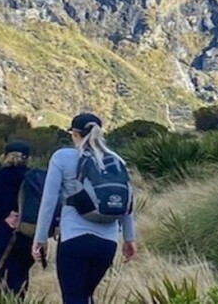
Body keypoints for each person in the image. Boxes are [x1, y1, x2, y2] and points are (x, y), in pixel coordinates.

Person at [32, 113, 137, 304]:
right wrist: (129, 238)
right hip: (107, 243)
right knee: (86, 296)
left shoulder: (62, 157)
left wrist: (40, 239)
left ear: (75, 134)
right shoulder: (116, 160)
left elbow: (49, 199)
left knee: (73, 298)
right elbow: (127, 200)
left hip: (74, 238)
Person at [0, 140, 37, 299]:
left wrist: (6, 213)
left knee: (3, 276)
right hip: (27, 232)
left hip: (3, 233)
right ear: (27, 158)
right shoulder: (32, 176)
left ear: (5, 156)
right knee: (22, 275)